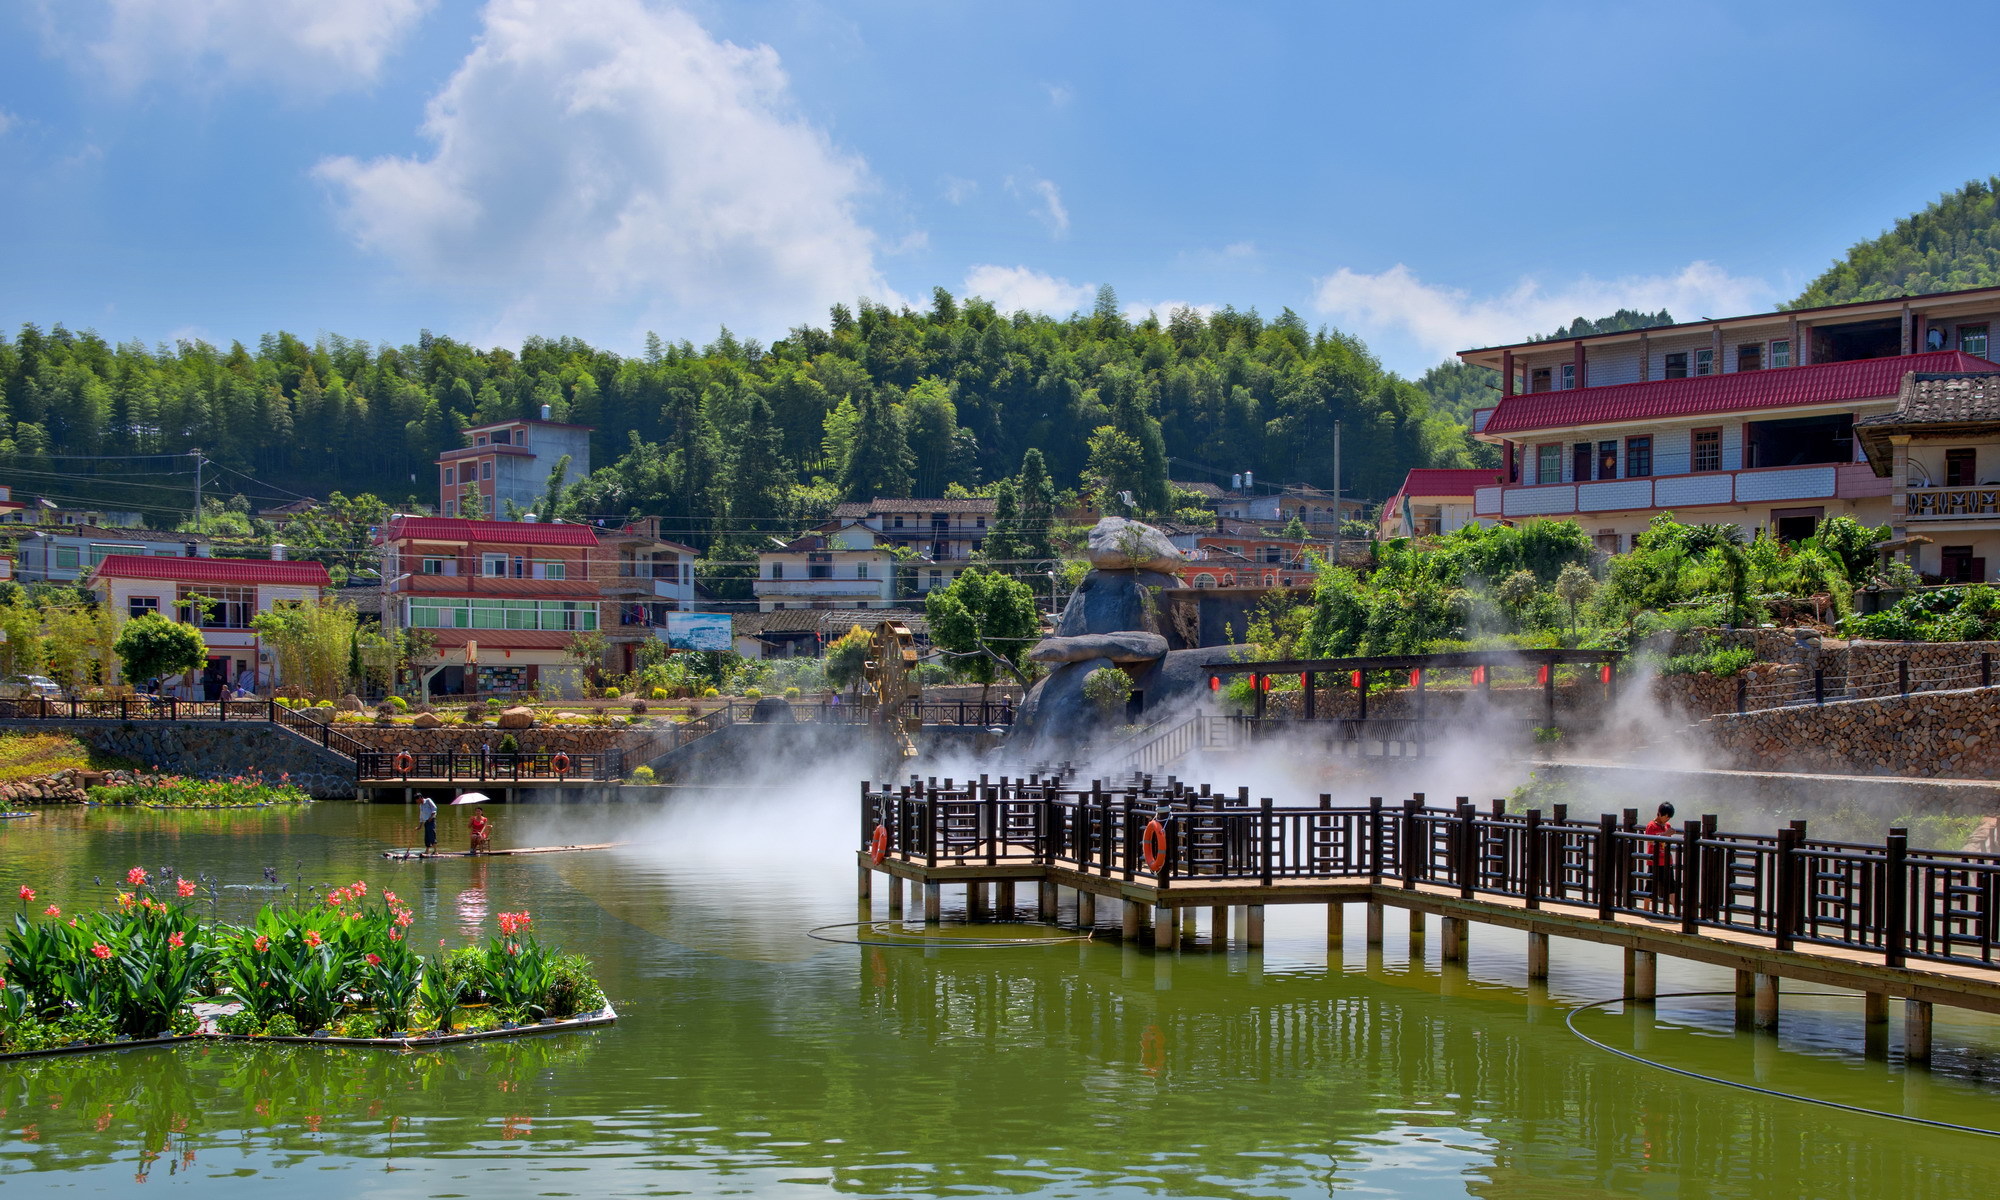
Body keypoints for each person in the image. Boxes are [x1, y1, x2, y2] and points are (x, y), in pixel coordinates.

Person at [1643, 802, 1677, 915]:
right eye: (1666, 816)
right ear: (1660, 814)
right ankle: (1646, 910)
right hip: (1654, 861)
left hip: (1667, 860)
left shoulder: (1667, 826)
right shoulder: (1651, 825)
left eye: (1669, 817)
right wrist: (1665, 834)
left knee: (1671, 886)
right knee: (1650, 885)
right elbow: (1650, 840)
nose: (1667, 819)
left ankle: (1677, 912)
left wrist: (1668, 833)